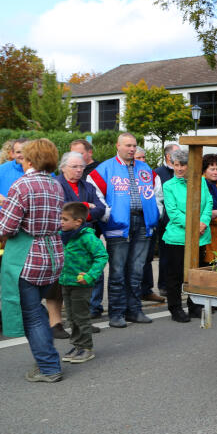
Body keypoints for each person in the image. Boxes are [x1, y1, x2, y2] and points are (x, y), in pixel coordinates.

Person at [0, 138, 67, 382]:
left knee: (32, 315)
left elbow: (7, 228)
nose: (20, 160)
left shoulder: (21, 185)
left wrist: (1, 217)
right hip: (52, 255)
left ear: (31, 159)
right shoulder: (56, 184)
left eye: (23, 157)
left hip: (28, 257)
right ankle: (46, 359)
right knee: (38, 310)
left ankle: (48, 367)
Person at [89, 132, 161, 328]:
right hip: (118, 226)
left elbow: (157, 195)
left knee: (137, 271)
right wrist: (108, 215)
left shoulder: (145, 168)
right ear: (117, 146)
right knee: (118, 272)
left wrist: (155, 214)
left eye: (134, 145)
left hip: (143, 224)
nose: (132, 149)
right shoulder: (105, 169)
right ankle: (116, 312)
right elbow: (94, 194)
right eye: (128, 145)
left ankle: (135, 310)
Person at [56, 151, 110, 321]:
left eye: (81, 167)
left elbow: (101, 209)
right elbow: (59, 209)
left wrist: (79, 216)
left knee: (94, 271)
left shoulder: (88, 186)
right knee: (70, 274)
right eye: (74, 167)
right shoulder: (56, 185)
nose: (79, 170)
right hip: (66, 238)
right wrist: (86, 206)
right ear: (63, 167)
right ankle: (73, 313)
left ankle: (93, 307)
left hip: (86, 235)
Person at [161, 149, 212, 322]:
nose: (180, 168)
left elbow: (208, 202)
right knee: (175, 275)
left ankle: (194, 305)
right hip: (178, 238)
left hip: (200, 235)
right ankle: (175, 308)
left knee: (196, 273)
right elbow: (173, 213)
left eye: (183, 165)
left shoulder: (201, 182)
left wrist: (203, 222)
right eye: (177, 165)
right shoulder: (168, 186)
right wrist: (194, 225)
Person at [58, 202, 107, 364]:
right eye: (60, 218)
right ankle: (77, 345)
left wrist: (90, 275)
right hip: (66, 282)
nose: (61, 222)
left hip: (82, 284)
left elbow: (101, 256)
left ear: (78, 222)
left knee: (81, 316)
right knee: (71, 317)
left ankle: (86, 348)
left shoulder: (87, 237)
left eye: (65, 219)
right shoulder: (62, 235)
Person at [145, 143, 181, 303]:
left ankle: (173, 284)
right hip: (163, 222)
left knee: (175, 257)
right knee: (164, 256)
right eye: (177, 153)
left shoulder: (182, 173)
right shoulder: (158, 173)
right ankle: (163, 285)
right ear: (168, 156)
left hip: (178, 222)